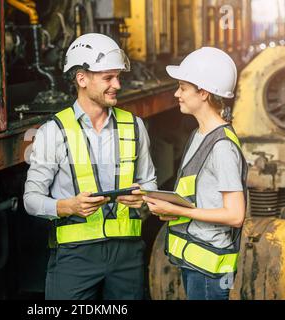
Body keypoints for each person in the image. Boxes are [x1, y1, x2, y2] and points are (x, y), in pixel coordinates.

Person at [24, 33, 157, 300]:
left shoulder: (134, 126)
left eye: (118, 76)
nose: (117, 85)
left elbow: (150, 183)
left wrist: (143, 199)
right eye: (108, 78)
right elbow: (31, 200)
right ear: (81, 79)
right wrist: (66, 206)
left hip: (127, 256)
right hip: (75, 257)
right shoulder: (53, 132)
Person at [143, 47, 248, 300]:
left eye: (182, 87)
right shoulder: (198, 136)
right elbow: (199, 194)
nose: (177, 93)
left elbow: (235, 215)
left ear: (203, 92)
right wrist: (166, 205)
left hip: (210, 268)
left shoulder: (221, 147)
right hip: (196, 260)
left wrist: (179, 211)